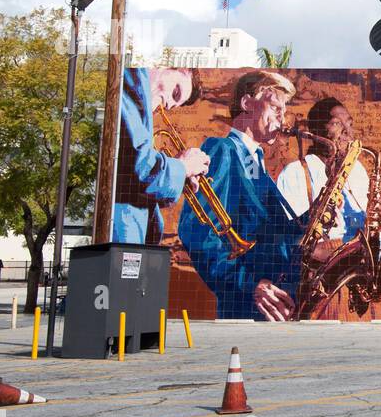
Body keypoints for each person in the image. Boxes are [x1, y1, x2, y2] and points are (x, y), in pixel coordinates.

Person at [178, 70, 305, 321]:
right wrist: (248, 285)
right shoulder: (222, 149)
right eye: (275, 107)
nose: (283, 117)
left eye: (285, 109)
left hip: (274, 303)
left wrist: (319, 211)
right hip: (246, 306)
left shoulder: (256, 162)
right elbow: (196, 231)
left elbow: (275, 232)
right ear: (247, 104)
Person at [113, 67, 209, 244]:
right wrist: (183, 167)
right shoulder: (127, 91)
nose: (168, 105)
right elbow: (141, 168)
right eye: (176, 91)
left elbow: (135, 181)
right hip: (121, 230)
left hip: (132, 233)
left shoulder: (136, 101)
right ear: (164, 66)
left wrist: (180, 175)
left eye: (174, 105)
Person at [276, 97, 381, 245]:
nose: (347, 131)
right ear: (316, 130)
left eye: (350, 123)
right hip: (320, 264)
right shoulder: (294, 173)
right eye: (336, 123)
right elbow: (287, 238)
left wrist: (379, 219)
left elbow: (371, 230)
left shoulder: (357, 170)